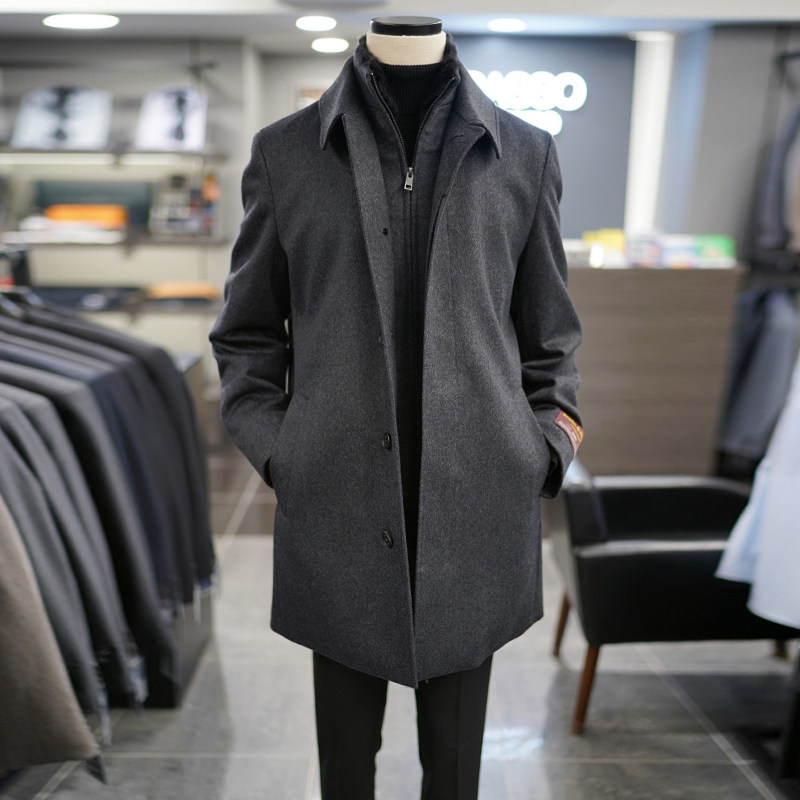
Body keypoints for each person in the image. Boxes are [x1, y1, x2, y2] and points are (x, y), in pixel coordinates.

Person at [209, 15, 582, 800]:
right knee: (345, 768)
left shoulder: (524, 152)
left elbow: (551, 338)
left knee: (455, 770)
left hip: (479, 501)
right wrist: (283, 450)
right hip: (337, 499)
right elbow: (246, 336)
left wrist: (545, 445)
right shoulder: (287, 154)